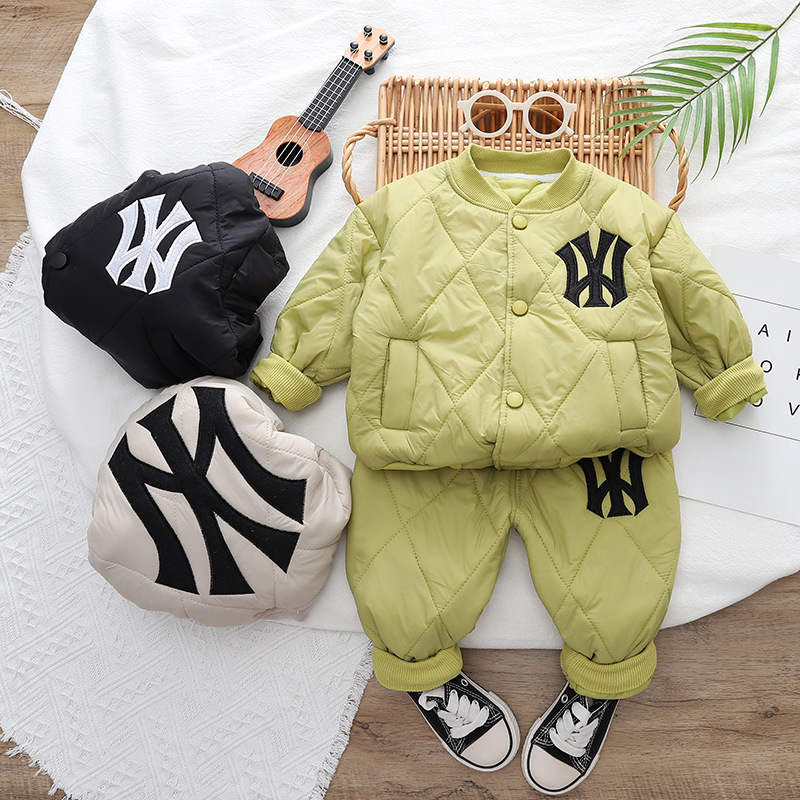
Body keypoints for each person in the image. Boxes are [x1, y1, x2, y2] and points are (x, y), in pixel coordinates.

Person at [250, 145, 766, 795]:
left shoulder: (629, 213)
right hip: (428, 443)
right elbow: (341, 283)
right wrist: (296, 363)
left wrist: (724, 369)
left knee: (619, 588)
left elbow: (688, 289)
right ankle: (426, 674)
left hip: (598, 446)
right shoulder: (398, 210)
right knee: (406, 589)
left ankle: (600, 683)